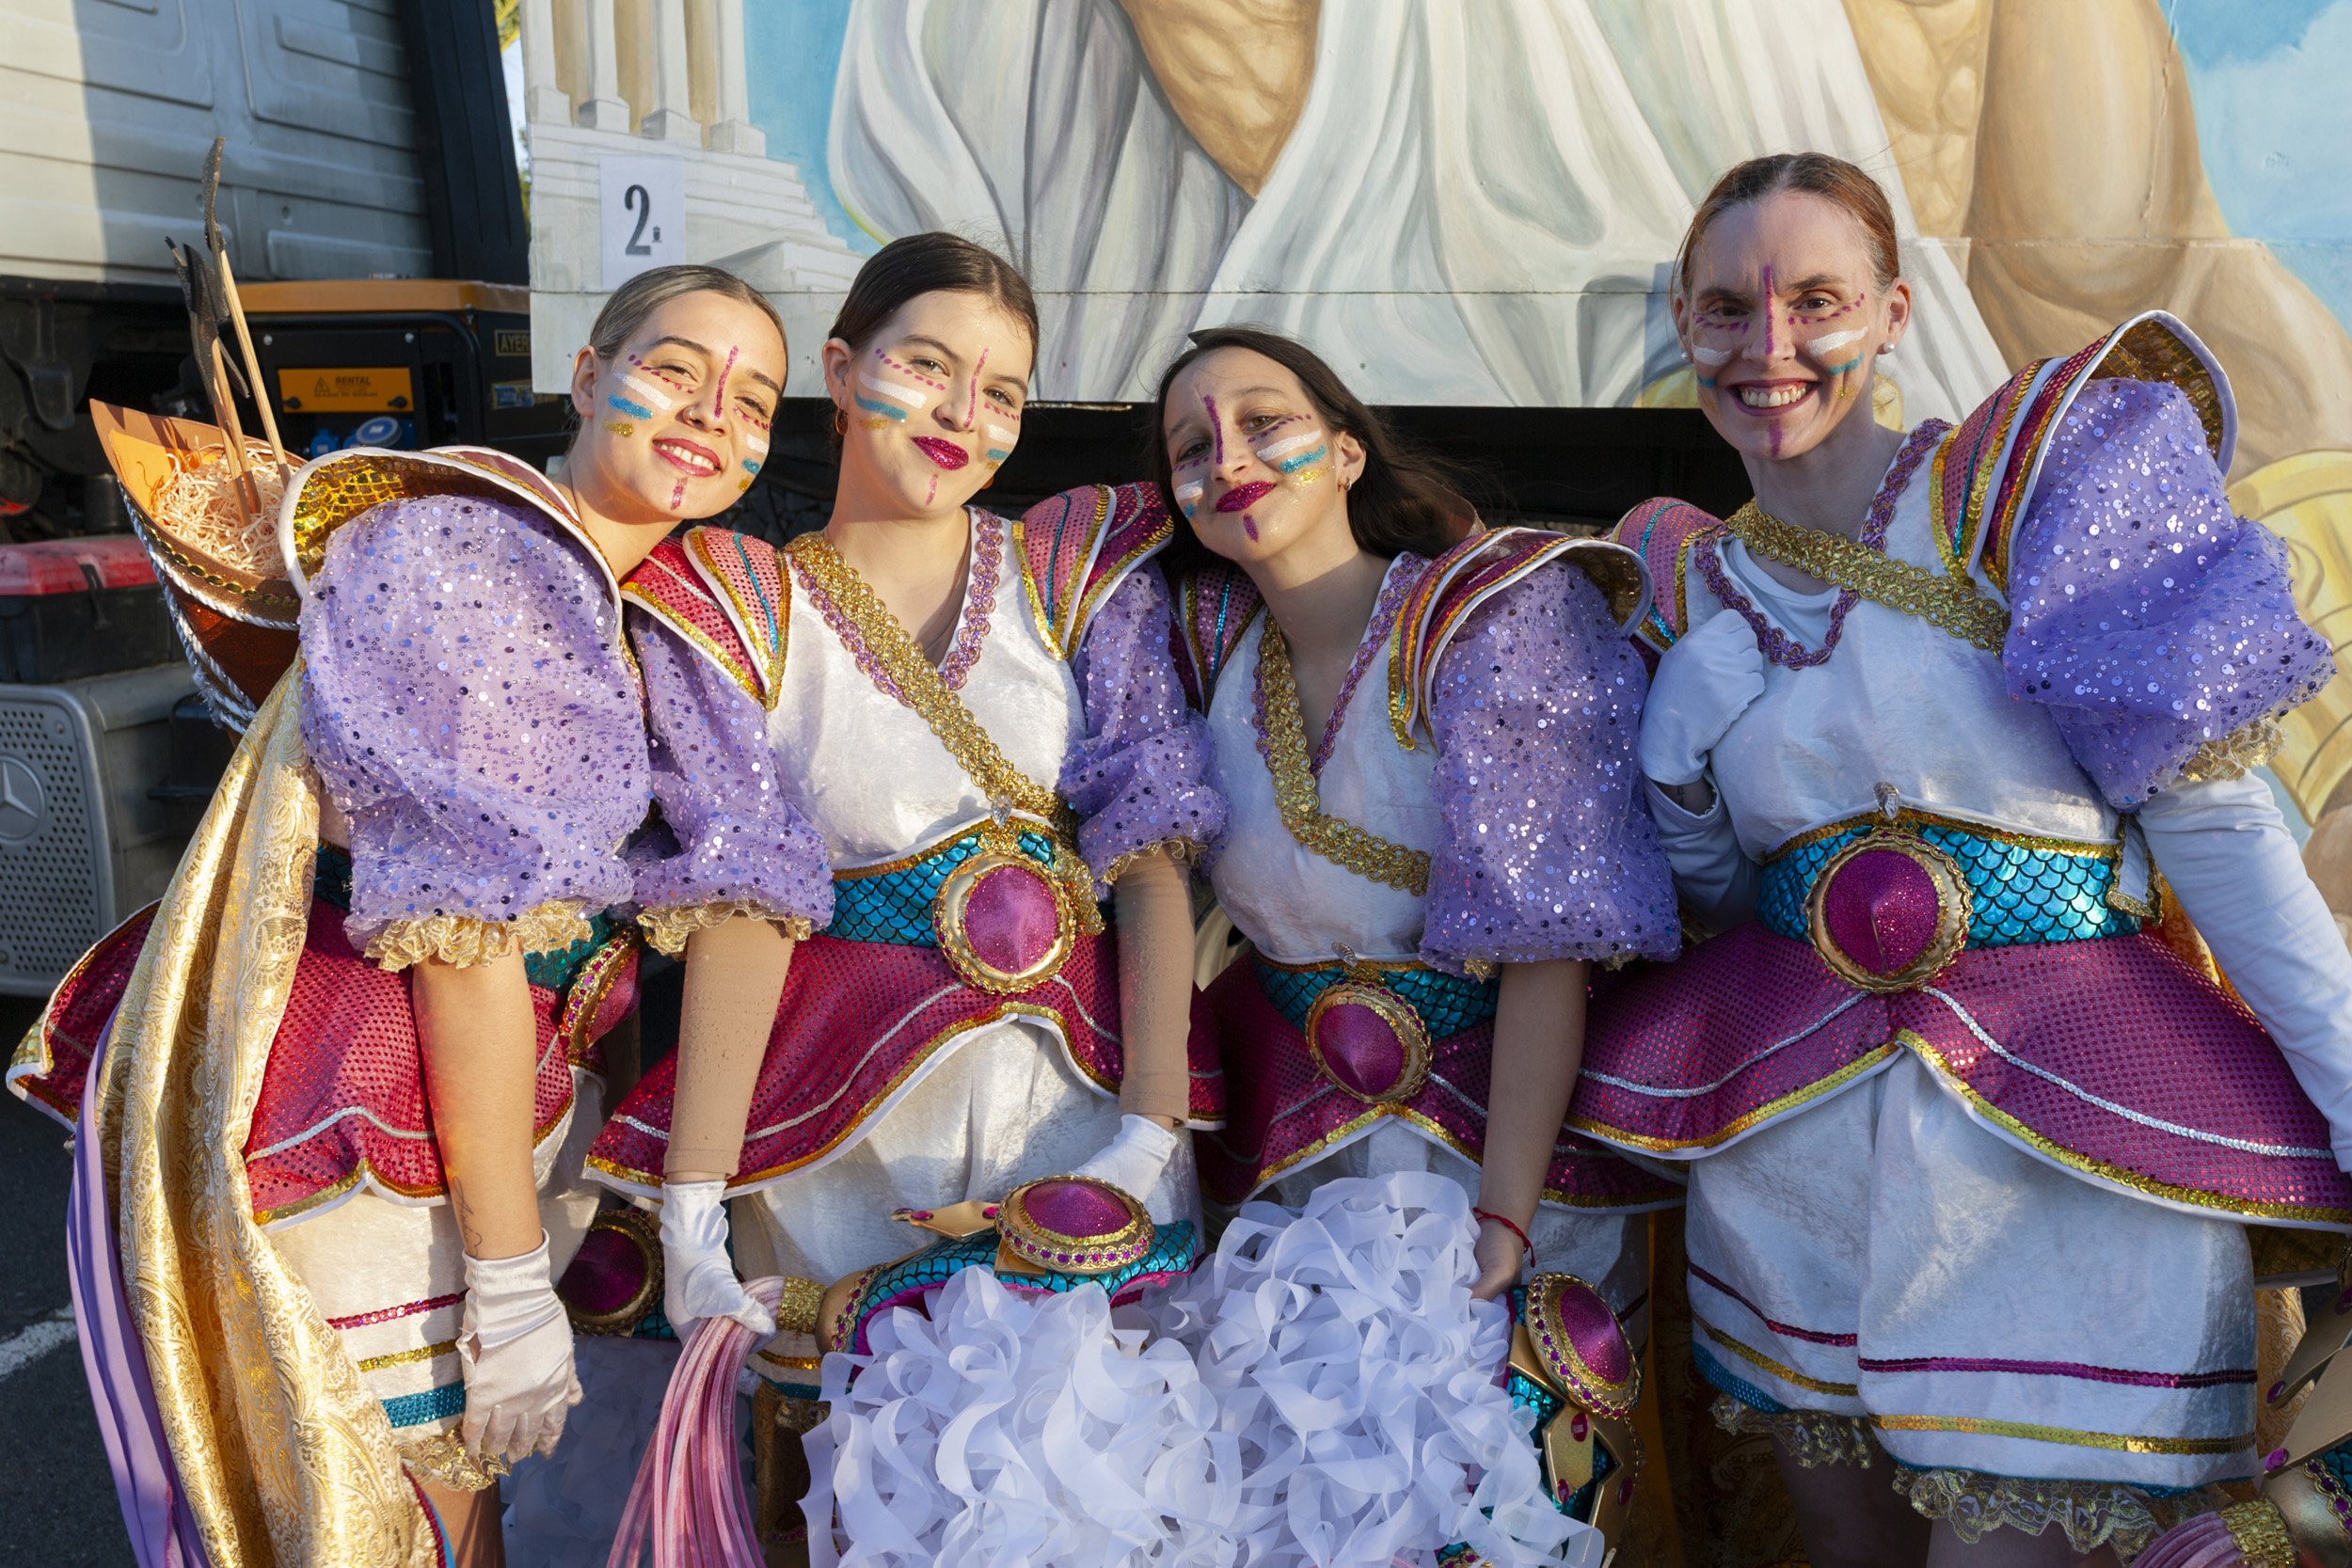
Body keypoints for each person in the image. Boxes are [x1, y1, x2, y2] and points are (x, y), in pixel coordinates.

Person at [1570, 152, 2352, 1567]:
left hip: (2059, 1137)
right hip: (1799, 1165)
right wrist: (1683, 783)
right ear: (1685, 327)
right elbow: (1706, 920)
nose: (1773, 346)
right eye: (1728, 311)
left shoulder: (2024, 488)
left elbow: (2217, 827)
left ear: (1892, 313)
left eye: (1817, 300)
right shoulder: (1681, 582)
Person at [8, 264, 788, 1567]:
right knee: (385, 1519)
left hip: (479, 1097)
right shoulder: (464, 556)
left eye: (751, 397)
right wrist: (506, 1276)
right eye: (675, 369)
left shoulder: (646, 596)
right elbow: (466, 940)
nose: (710, 413)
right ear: (588, 377)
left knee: (454, 1513)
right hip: (373, 1099)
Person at [579, 232, 1223, 1547]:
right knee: (869, 1495)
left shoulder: (1073, 574)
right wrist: (696, 1203)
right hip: (835, 1145)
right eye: (925, 368)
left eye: (1000, 392)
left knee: (1094, 1492)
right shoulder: (734, 603)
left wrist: (1150, 1130)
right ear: (841, 368)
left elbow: (1149, 854)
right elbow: (746, 906)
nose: (962, 418)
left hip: (1081, 1120)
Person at [1153, 325, 1682, 1558]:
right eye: (1192, 444)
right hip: (1297, 1176)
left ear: (1347, 450)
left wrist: (1502, 1223)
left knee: (1495, 1516)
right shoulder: (1206, 646)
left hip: (1506, 1163)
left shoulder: (1491, 613)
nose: (1228, 458)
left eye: (1265, 422)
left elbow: (1549, 942)